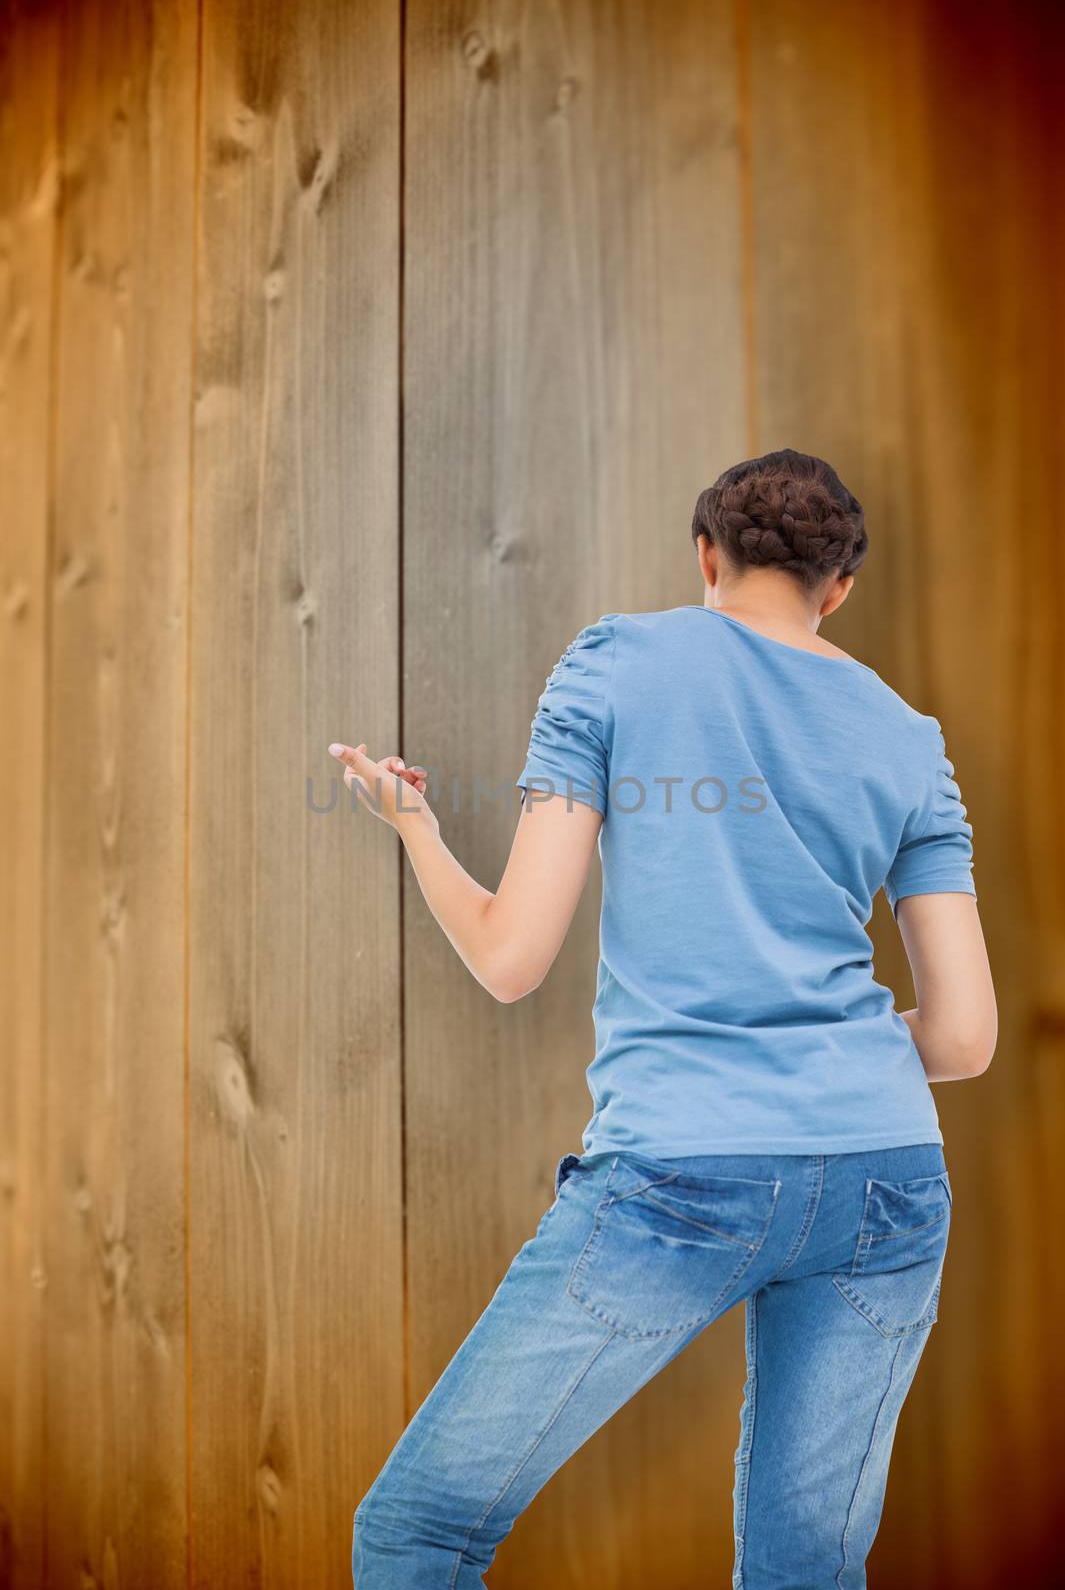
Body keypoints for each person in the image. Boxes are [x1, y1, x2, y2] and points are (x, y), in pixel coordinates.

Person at [334, 448, 996, 1589]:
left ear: (707, 555)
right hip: (889, 1180)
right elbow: (965, 1039)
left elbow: (510, 958)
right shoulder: (907, 736)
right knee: (805, 1571)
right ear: (839, 588)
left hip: (685, 1175)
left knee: (415, 1533)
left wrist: (417, 831)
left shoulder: (615, 665)